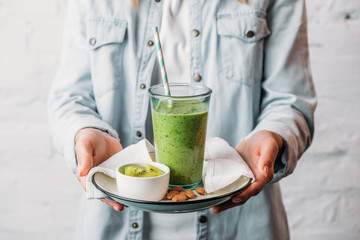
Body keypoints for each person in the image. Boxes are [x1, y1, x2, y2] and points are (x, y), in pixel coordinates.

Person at [48, 0, 316, 239]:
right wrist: (84, 131)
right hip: (113, 225)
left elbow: (290, 99)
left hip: (242, 225)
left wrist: (272, 135)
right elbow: (70, 96)